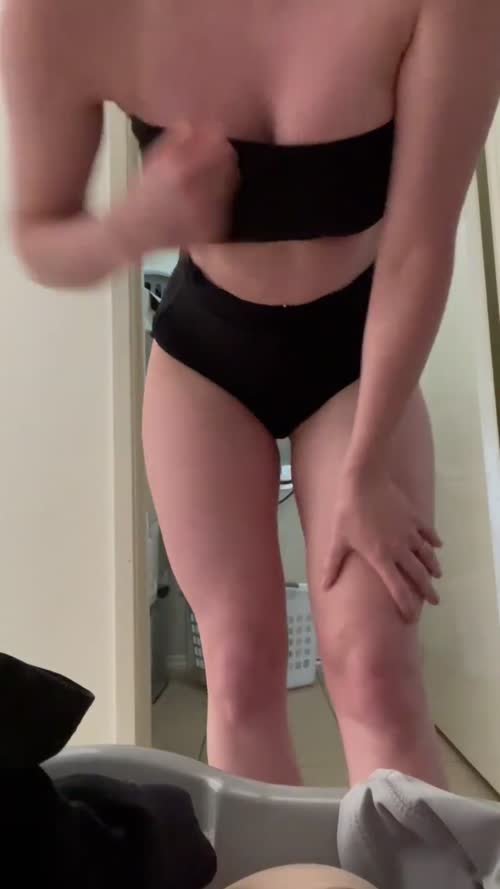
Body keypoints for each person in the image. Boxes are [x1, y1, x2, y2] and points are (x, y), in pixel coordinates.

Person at [2, 0, 499, 789]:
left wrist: (367, 466)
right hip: (206, 356)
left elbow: (420, 242)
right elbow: (39, 231)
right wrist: (133, 224)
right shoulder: (60, 13)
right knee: (238, 666)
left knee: (374, 667)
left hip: (358, 358)